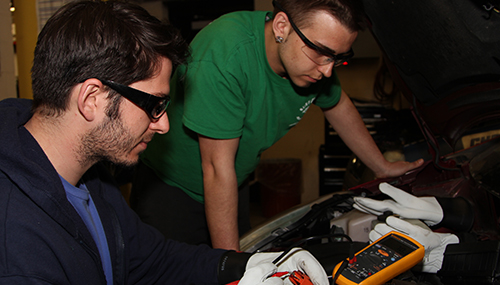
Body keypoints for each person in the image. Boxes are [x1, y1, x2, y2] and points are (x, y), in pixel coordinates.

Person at [0, 1, 330, 285]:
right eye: (154, 105)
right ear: (92, 98)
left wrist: (246, 265)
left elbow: (148, 261)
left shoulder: (86, 173)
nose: (164, 124)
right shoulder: (15, 251)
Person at [131, 0, 424, 255]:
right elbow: (216, 167)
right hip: (172, 191)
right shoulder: (225, 56)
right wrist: (227, 266)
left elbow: (339, 106)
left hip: (232, 183)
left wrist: (382, 167)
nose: (327, 70)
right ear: (282, 26)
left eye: (338, 58)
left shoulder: (312, 65)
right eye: (321, 53)